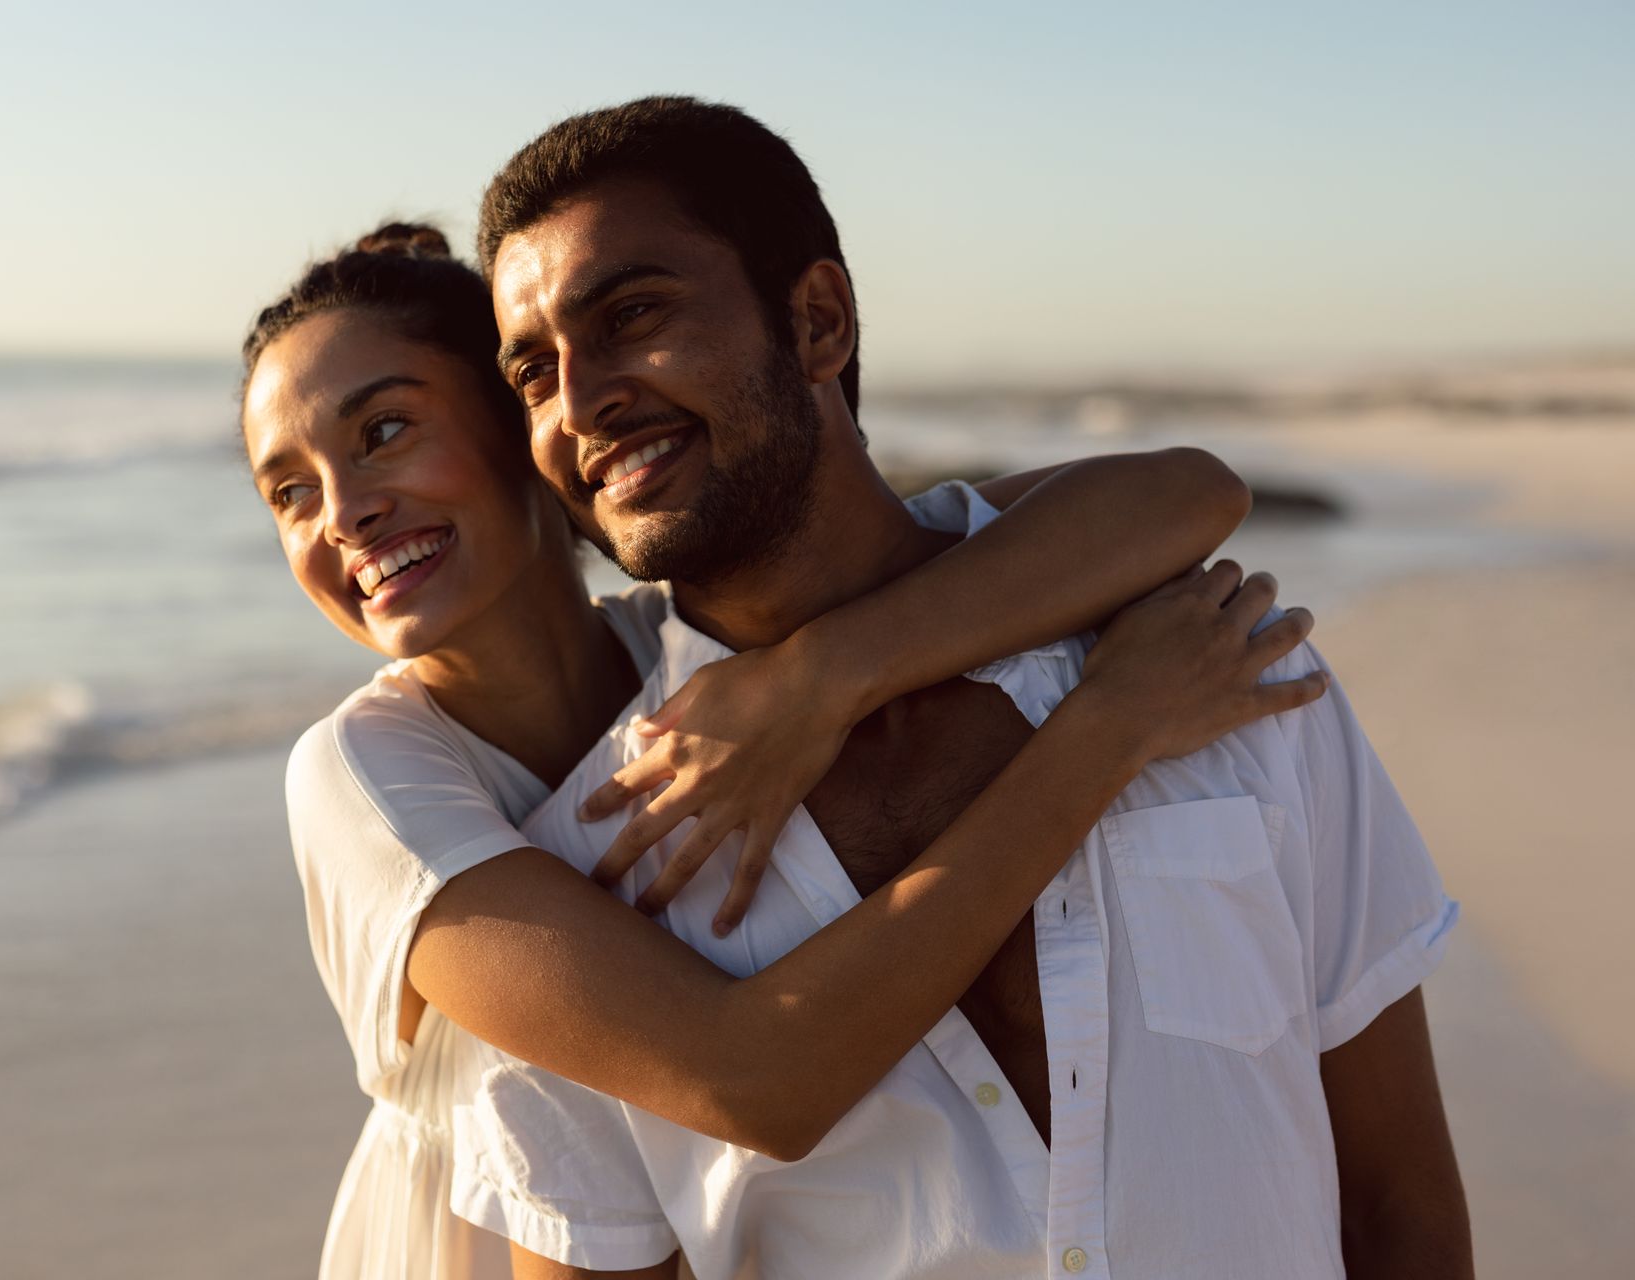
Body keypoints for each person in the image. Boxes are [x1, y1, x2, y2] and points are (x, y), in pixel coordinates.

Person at [449, 96, 1472, 1279]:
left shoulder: (1219, 657)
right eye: (532, 374)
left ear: (818, 320)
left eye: (633, 314)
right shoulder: (589, 876)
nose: (580, 403)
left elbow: (1400, 1201)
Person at [241, 223, 1322, 1280]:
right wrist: (1109, 730)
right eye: (286, 489)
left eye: (383, 432)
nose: (341, 513)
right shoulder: (365, 775)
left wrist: (819, 672)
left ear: (520, 426)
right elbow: (750, 1075)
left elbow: (1182, 494)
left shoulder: (691, 642)